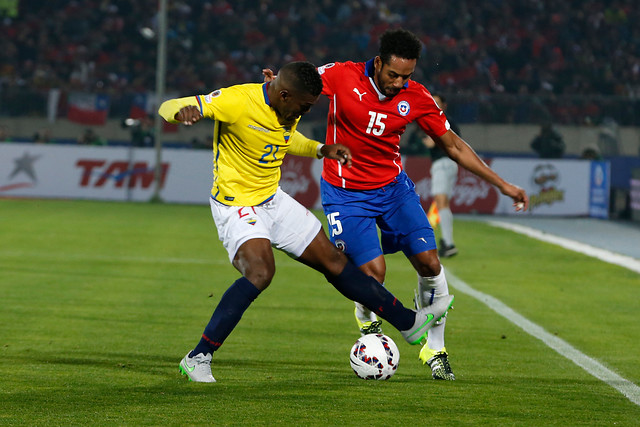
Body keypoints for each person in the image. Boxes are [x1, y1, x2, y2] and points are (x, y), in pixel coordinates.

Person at [158, 61, 454, 383]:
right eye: (303, 106)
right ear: (283, 95)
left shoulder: (288, 106)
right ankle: (198, 356)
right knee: (260, 272)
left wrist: (321, 149)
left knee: (335, 261)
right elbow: (167, 106)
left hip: (273, 199)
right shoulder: (237, 101)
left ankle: (409, 323)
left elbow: (288, 139)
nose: (306, 111)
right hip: (237, 205)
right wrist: (182, 112)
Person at [264, 30, 528, 381]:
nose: (399, 83)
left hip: (393, 190)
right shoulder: (342, 75)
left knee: (430, 263)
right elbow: (300, 83)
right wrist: (271, 86)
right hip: (345, 194)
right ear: (378, 63)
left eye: (407, 76)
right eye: (393, 75)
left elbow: (454, 146)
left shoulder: (416, 97)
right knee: (373, 275)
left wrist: (504, 185)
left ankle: (435, 349)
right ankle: (365, 314)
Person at [423, 94, 460, 258]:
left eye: (437, 102)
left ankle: (448, 243)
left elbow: (431, 142)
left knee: (441, 203)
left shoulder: (440, 120)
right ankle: (447, 241)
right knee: (443, 204)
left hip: (442, 163)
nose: (435, 105)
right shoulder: (451, 122)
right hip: (450, 164)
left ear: (444, 105)